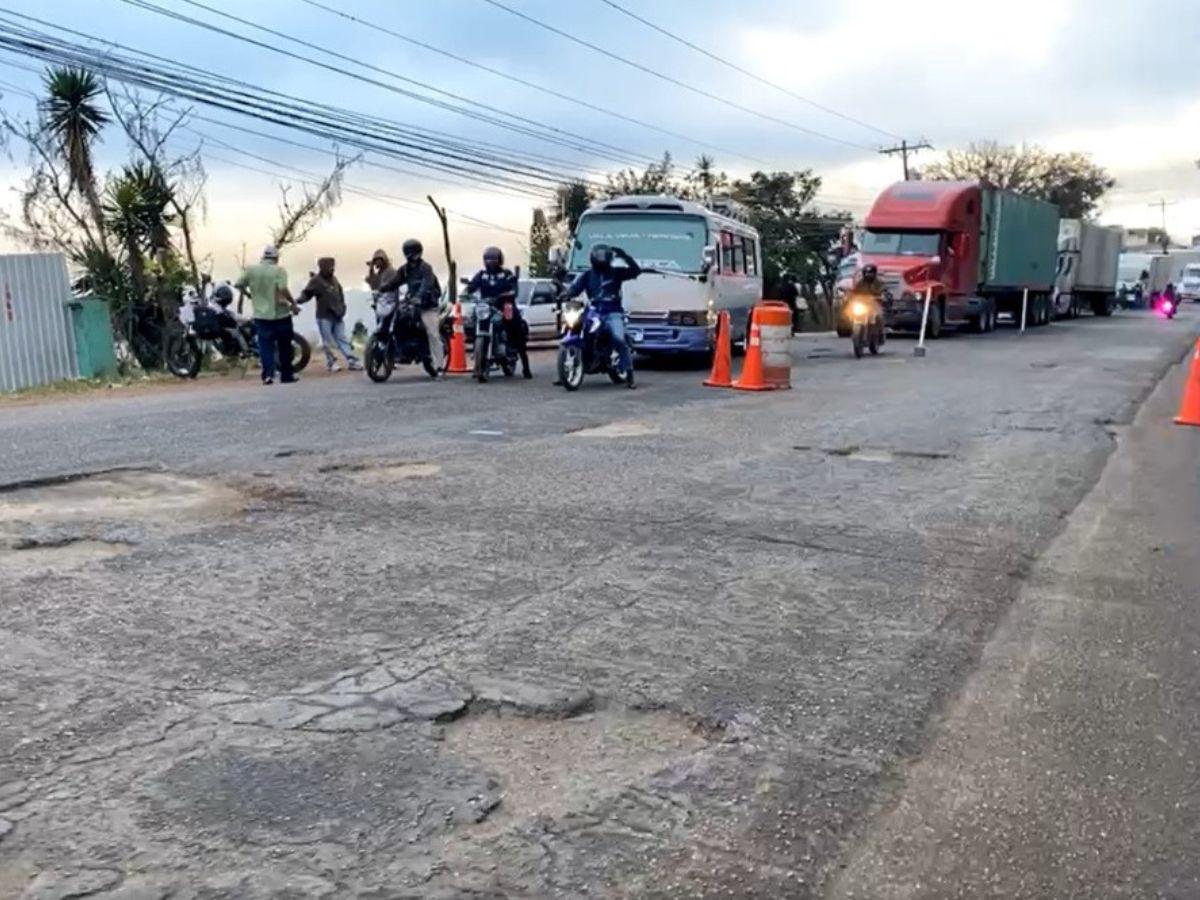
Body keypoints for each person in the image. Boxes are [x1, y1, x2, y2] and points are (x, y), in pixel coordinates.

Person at [565, 243, 641, 388]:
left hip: (613, 311)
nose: (601, 258)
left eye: (603, 256)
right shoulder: (587, 275)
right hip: (593, 311)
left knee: (619, 339)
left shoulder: (616, 273)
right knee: (575, 327)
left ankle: (629, 374)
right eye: (598, 255)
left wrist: (625, 256)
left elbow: (636, 271)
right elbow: (574, 289)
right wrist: (566, 294)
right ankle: (566, 371)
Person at [235, 245, 298, 385]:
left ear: (263, 257)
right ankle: (287, 375)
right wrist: (292, 303)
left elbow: (238, 284)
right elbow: (283, 288)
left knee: (265, 346)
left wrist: (249, 295)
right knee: (285, 346)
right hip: (281, 314)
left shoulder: (251, 270)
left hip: (261, 315)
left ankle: (268, 375)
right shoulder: (279, 270)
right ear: (276, 257)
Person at [465, 246, 531, 379]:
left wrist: (506, 294)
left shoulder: (506, 274)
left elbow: (514, 289)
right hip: (486, 307)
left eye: (493, 259)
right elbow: (471, 287)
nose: (490, 262)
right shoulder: (481, 275)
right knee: (471, 323)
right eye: (488, 259)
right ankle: (478, 362)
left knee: (516, 328)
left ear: (500, 260)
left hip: (505, 305)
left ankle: (525, 366)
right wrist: (467, 291)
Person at [379, 239, 442, 372]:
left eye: (413, 252)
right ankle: (401, 349)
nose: (411, 255)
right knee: (399, 320)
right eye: (408, 252)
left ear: (419, 252)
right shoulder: (405, 269)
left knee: (432, 333)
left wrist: (420, 296)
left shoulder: (426, 267)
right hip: (412, 302)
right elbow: (395, 281)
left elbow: (427, 283)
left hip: (427, 304)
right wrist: (383, 288)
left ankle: (439, 365)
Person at [299, 257, 360, 372]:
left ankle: (352, 361)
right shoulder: (316, 281)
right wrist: (297, 301)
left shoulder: (334, 280)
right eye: (329, 267)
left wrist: (343, 307)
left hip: (337, 315)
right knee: (328, 341)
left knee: (342, 339)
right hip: (324, 316)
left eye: (332, 267)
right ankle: (331, 363)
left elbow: (340, 294)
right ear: (322, 267)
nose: (332, 269)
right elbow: (306, 294)